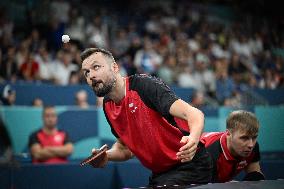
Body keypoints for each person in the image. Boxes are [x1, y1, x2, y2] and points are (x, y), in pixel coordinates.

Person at [80, 48, 212, 186]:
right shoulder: (108, 106)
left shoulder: (144, 86)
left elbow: (195, 114)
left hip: (191, 165)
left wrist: (193, 139)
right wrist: (106, 156)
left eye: (96, 67)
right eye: (86, 72)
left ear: (114, 67)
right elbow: (125, 149)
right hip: (161, 174)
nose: (91, 76)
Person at [201, 110, 265, 183]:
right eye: (244, 138)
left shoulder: (253, 147)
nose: (251, 145)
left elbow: (254, 174)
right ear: (228, 134)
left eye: (254, 137)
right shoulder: (209, 153)